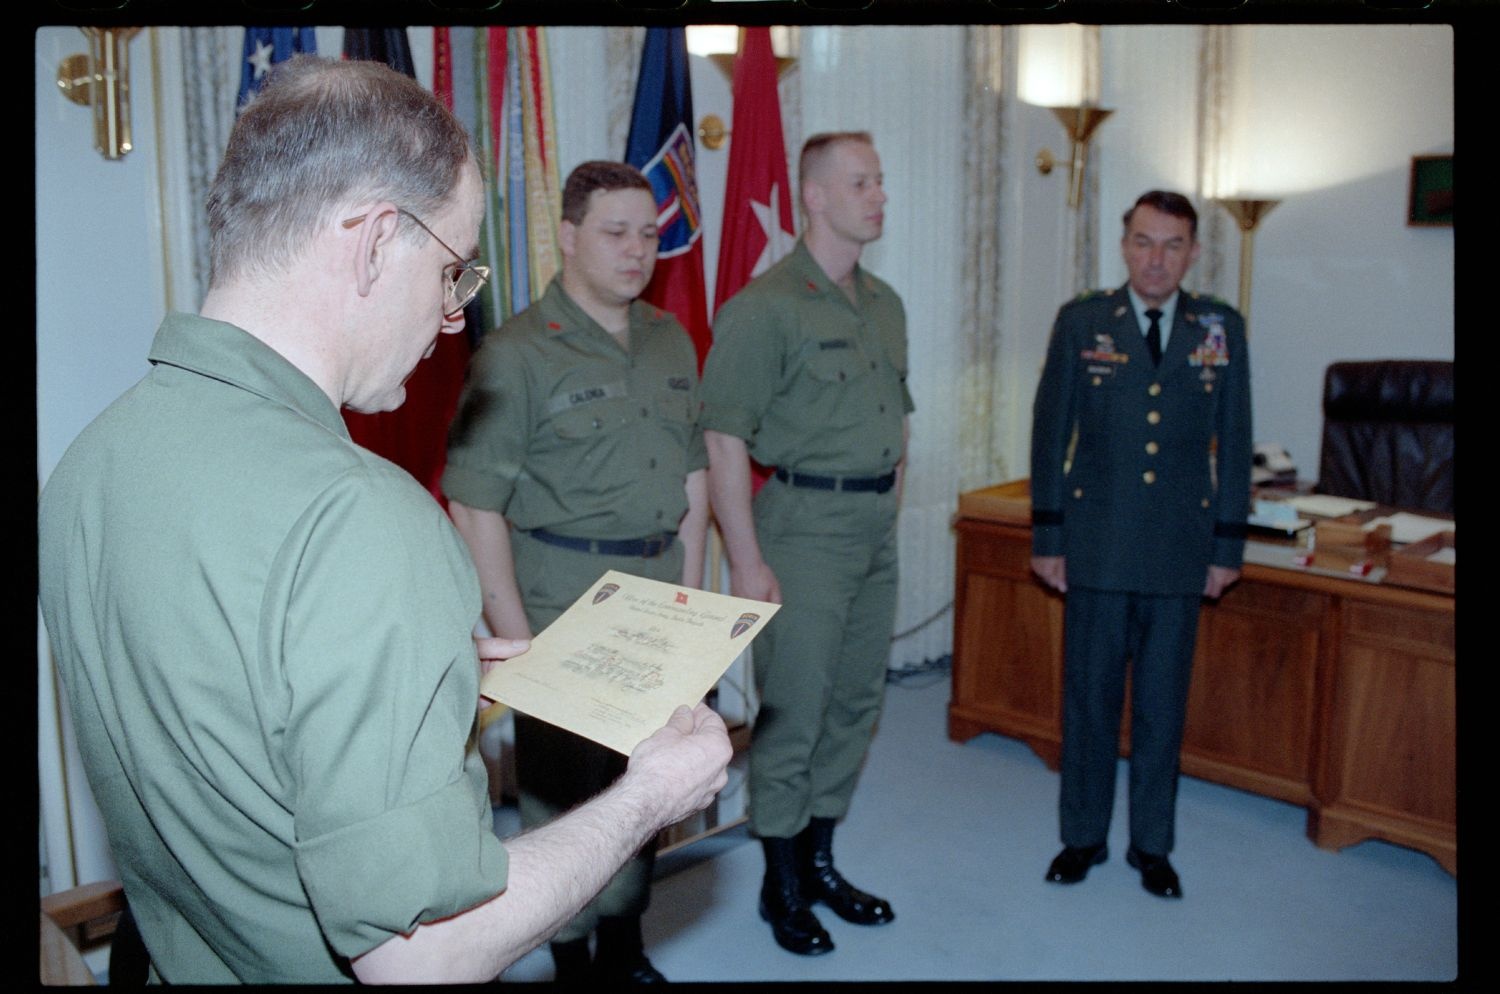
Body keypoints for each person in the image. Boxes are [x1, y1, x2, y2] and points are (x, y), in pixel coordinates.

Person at [36, 56, 731, 985]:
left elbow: (231, 725)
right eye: (451, 271)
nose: (452, 318)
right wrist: (649, 795)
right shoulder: (362, 519)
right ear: (370, 243)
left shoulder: (93, 457)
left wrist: (423, 678)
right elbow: (423, 953)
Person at [441, 160, 709, 984]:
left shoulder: (668, 337)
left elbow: (692, 476)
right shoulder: (516, 354)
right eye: (614, 232)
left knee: (643, 785)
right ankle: (572, 959)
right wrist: (516, 638)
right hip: (564, 599)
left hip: (659, 592)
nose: (637, 250)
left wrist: (695, 604)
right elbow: (473, 503)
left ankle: (625, 945)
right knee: (567, 800)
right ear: (567, 236)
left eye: (649, 234)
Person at [698, 131, 910, 956]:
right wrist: (747, 561)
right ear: (814, 197)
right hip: (801, 528)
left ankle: (820, 860)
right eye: (862, 182)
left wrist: (887, 509)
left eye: (881, 181)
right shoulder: (766, 305)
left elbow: (899, 420)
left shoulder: (883, 303)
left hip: (870, 530)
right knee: (794, 712)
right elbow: (722, 439)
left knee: (857, 703)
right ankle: (780, 885)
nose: (879, 196)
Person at [1029, 189, 1252, 900]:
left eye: (1173, 244)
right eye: (1143, 242)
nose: (1156, 259)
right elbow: (1049, 433)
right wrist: (1048, 534)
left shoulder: (1220, 328)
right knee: (1089, 701)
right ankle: (1083, 837)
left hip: (1180, 551)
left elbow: (1237, 440)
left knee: (1162, 706)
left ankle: (1152, 846)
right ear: (1123, 245)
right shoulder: (1084, 321)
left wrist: (1226, 548)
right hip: (1096, 544)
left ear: (1193, 252)